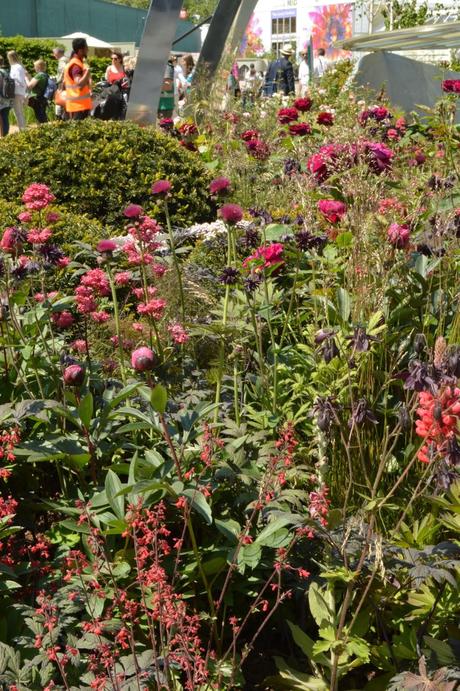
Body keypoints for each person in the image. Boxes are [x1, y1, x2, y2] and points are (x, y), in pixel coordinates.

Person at [63, 37, 92, 120]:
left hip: (77, 106)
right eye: (86, 48)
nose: (88, 50)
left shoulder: (75, 63)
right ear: (80, 50)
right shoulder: (76, 66)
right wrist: (87, 72)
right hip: (78, 107)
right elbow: (79, 84)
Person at [7, 51, 27, 130]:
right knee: (19, 112)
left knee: (18, 112)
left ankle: (22, 131)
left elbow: (18, 79)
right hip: (20, 91)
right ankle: (23, 130)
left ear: (11, 57)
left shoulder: (15, 66)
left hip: (16, 91)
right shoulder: (19, 66)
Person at [26, 59, 49, 124]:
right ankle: (45, 130)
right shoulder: (45, 75)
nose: (34, 68)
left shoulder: (39, 75)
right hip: (43, 97)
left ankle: (42, 132)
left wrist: (26, 78)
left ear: (38, 66)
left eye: (35, 66)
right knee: (42, 115)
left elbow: (29, 86)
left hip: (37, 98)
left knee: (40, 117)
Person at [52, 46, 68, 120]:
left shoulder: (62, 60)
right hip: (66, 83)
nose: (53, 54)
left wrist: (61, 83)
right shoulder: (67, 59)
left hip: (62, 83)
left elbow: (64, 71)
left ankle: (59, 118)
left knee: (59, 100)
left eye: (54, 53)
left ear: (58, 52)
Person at [0, 56, 13, 137]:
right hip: (8, 97)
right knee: (5, 116)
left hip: (1, 97)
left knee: (1, 117)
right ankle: (5, 135)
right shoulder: (7, 71)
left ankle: (3, 136)